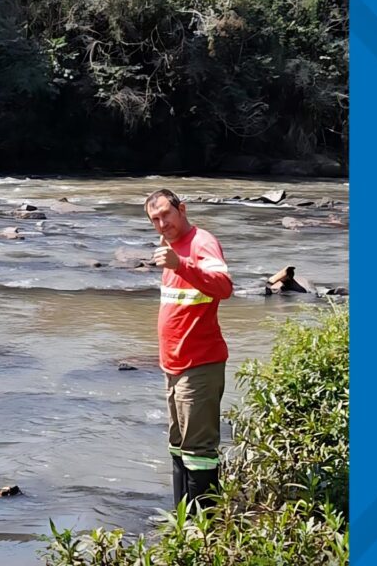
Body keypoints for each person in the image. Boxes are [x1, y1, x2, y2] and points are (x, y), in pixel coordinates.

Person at [145, 189, 233, 512]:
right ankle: (181, 522)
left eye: (166, 215)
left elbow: (224, 287)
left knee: (199, 452)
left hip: (200, 363)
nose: (162, 223)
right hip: (173, 366)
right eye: (155, 219)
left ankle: (205, 528)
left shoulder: (201, 242)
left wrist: (181, 264)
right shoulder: (171, 247)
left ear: (182, 209)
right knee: (178, 447)